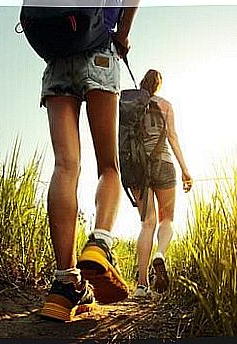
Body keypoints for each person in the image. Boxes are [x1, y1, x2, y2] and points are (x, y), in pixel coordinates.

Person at [38, 1, 140, 322]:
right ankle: (100, 243)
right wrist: (122, 34)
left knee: (65, 166)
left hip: (56, 58)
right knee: (108, 166)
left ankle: (65, 285)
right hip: (100, 52)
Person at [132, 69, 193, 298]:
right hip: (164, 164)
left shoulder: (129, 104)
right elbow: (173, 137)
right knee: (166, 219)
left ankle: (141, 285)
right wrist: (185, 170)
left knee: (147, 223)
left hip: (138, 167)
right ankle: (160, 253)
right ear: (158, 85)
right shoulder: (165, 104)